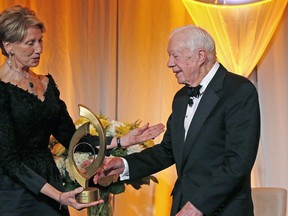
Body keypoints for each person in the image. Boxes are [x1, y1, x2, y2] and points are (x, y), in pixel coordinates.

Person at [0, 5, 164, 216]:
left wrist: (122, 141)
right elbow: (9, 161)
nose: (39, 49)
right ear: (9, 46)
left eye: (40, 41)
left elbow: (73, 139)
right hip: (16, 192)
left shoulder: (45, 83)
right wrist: (58, 195)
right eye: (30, 43)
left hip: (50, 183)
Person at [93, 25, 260, 216]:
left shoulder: (239, 90)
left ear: (200, 56)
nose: (169, 63)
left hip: (224, 210)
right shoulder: (181, 97)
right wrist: (124, 164)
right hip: (183, 206)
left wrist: (199, 205)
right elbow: (167, 151)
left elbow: (238, 162)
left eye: (175, 56)